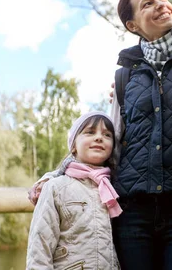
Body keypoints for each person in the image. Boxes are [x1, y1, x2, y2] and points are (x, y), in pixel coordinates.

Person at [29, 0, 172, 270]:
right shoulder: (124, 77)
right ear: (132, 25)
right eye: (147, 4)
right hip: (133, 214)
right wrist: (56, 174)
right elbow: (110, 143)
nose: (160, 5)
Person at [26, 111, 121, 270]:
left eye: (107, 135)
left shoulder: (114, 188)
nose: (99, 137)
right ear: (74, 146)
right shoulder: (55, 187)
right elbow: (40, 244)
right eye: (90, 132)